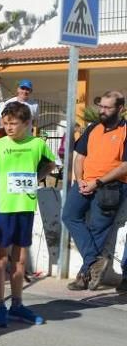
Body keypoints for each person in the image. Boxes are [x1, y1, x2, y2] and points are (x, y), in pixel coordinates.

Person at [0, 101, 56, 327]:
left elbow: (51, 164)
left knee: (21, 259)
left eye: (13, 123)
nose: (9, 128)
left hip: (26, 206)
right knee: (0, 258)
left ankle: (17, 304)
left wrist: (36, 177)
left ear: (27, 123)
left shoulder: (38, 144)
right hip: (4, 208)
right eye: (5, 123)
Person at [62, 91, 127, 291]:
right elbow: (79, 156)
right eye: (101, 106)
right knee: (69, 216)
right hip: (84, 183)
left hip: (110, 186)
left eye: (108, 108)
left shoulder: (125, 131)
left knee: (98, 230)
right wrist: (80, 180)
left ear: (120, 109)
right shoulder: (92, 128)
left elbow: (125, 166)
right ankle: (94, 260)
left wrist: (97, 183)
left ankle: (84, 276)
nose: (102, 111)